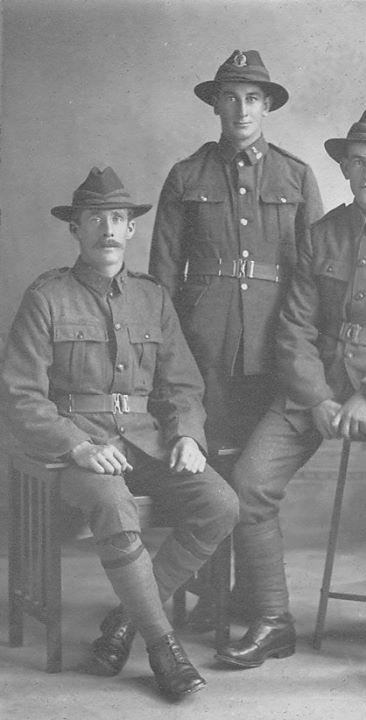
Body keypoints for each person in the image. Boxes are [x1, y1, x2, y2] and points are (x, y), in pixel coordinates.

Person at [215, 107, 366, 669]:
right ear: (344, 172)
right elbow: (294, 331)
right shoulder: (321, 236)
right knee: (250, 481)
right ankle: (273, 620)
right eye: (356, 163)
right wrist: (320, 397)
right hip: (319, 384)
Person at [1, 167, 238, 698]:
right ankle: (162, 647)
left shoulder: (153, 297)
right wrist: (77, 445)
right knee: (114, 503)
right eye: (94, 218)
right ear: (75, 230)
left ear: (131, 229)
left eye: (118, 218)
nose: (107, 228)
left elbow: (182, 385)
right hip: (73, 449)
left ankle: (126, 622)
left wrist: (187, 437)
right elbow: (19, 395)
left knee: (221, 504)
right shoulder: (47, 297)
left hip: (146, 439)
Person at [144, 49, 322, 631]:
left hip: (277, 342)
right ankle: (209, 593)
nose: (241, 108)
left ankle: (253, 596)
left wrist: (306, 348)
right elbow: (164, 277)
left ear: (267, 106)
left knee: (256, 467)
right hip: (205, 341)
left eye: (252, 98)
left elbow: (314, 275)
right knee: (210, 468)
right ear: (215, 104)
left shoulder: (295, 175)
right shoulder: (186, 174)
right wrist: (165, 353)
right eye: (230, 97)